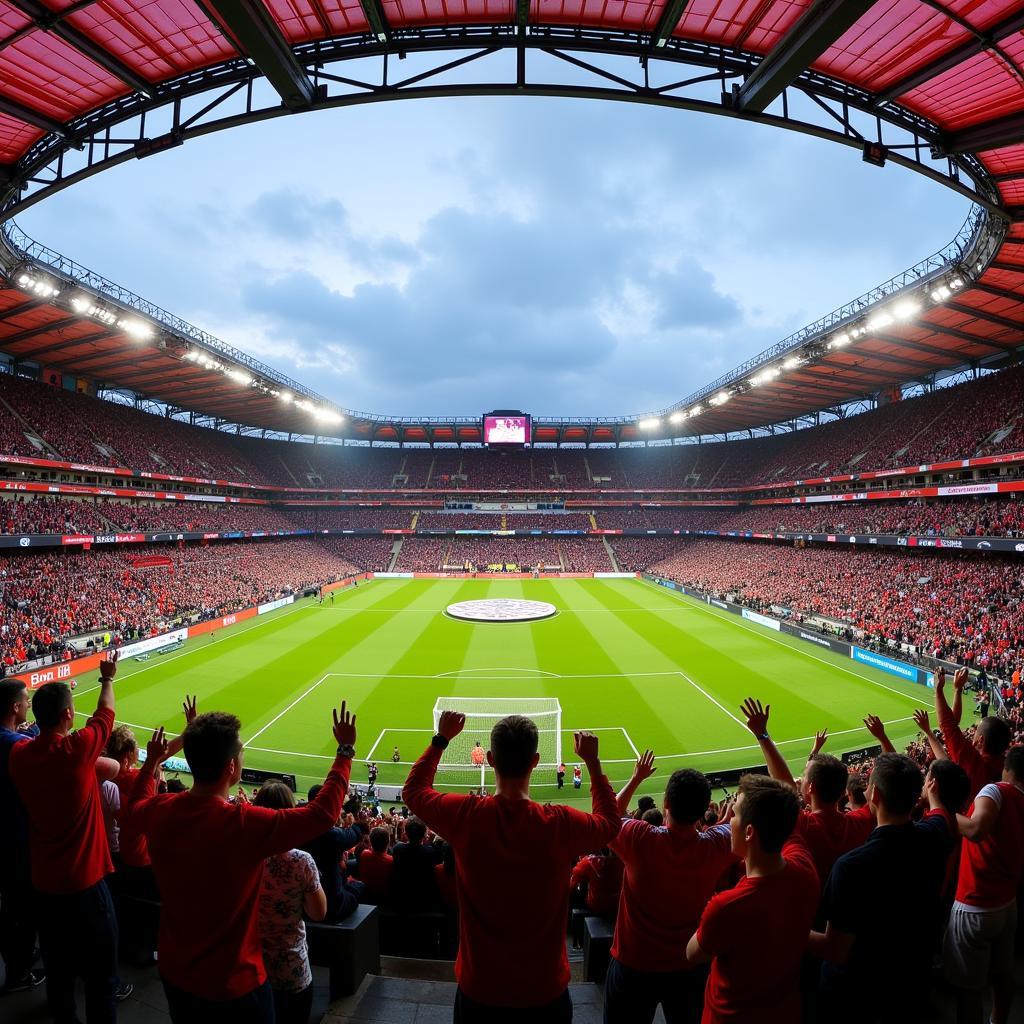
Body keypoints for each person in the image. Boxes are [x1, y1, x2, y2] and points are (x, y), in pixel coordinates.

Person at [128, 700, 358, 1023]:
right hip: (235, 983)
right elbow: (321, 815)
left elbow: (134, 807)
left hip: (176, 973)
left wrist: (152, 761)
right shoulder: (243, 824)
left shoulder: (160, 811)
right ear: (232, 769)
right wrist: (345, 752)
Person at [404, 713, 620, 1022]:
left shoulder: (466, 816)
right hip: (545, 992)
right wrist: (593, 764)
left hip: (480, 990)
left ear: (490, 759)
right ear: (535, 761)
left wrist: (441, 739)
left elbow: (413, 792)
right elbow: (610, 823)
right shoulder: (559, 823)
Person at [9, 658, 126, 1024]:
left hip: (44, 885)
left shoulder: (18, 755)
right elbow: (105, 715)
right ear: (68, 716)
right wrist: (107, 678)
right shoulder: (77, 752)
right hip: (87, 885)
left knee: (58, 977)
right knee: (101, 979)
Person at [810, 753, 954, 1024]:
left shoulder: (851, 866)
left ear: (874, 795)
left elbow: (835, 949)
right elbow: (941, 814)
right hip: (912, 977)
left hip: (859, 994)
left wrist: (791, 930)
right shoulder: (935, 834)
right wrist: (931, 798)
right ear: (916, 796)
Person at [605, 751, 737, 1024]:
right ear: (704, 811)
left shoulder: (641, 838)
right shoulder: (716, 845)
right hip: (690, 966)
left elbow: (610, 817)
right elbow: (738, 826)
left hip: (634, 965)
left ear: (666, 802)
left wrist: (635, 778)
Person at [686, 773, 819, 1024]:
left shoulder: (725, 906)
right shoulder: (805, 868)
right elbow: (786, 811)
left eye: (733, 814)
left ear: (749, 832)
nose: (730, 820)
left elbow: (692, 953)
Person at [740, 701, 875, 887]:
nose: (800, 778)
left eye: (804, 776)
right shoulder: (860, 822)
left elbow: (784, 785)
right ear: (843, 791)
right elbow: (891, 781)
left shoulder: (803, 825)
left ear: (810, 788)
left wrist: (762, 735)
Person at [945, 744, 1024, 1024]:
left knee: (968, 989)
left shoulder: (995, 791)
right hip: (1007, 902)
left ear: (1006, 765)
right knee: (1003, 973)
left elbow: (976, 830)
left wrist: (941, 812)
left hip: (976, 903)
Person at [253, 782, 327, 1024]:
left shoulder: (240, 851)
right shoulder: (300, 860)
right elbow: (319, 913)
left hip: (248, 966)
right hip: (290, 968)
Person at [0, 678, 43, 994]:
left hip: (9, 835)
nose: (28, 703)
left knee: (14, 904)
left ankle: (20, 956)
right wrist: (41, 729)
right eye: (26, 700)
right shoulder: (15, 745)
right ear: (15, 707)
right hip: (16, 837)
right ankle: (18, 971)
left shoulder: (10, 738)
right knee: (20, 906)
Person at [934, 668, 1010, 799]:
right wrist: (957, 691)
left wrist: (938, 690)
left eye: (976, 732)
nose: (973, 734)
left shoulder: (973, 761)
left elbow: (948, 725)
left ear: (980, 740)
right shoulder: (1005, 766)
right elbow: (952, 725)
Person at [300, 789, 366, 922]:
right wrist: (352, 822)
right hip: (333, 906)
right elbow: (356, 832)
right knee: (360, 887)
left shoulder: (297, 824)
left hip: (304, 904)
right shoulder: (332, 835)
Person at [391, 816, 442, 911]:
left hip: (402, 897)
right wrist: (432, 842)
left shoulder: (398, 849)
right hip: (424, 900)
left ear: (405, 834)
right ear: (424, 835)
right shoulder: (430, 851)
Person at [357, 826, 394, 904]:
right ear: (388, 843)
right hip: (386, 899)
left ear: (370, 842)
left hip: (367, 896)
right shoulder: (391, 861)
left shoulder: (364, 854)